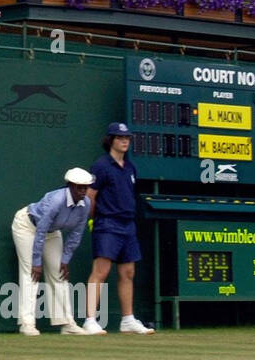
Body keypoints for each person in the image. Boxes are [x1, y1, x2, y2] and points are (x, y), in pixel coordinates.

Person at [82, 121, 153, 334]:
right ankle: (90, 320)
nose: (124, 141)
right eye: (120, 138)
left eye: (127, 138)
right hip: (107, 223)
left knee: (128, 272)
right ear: (111, 140)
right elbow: (90, 197)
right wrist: (93, 220)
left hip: (127, 225)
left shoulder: (131, 167)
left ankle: (127, 320)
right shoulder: (101, 166)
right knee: (101, 271)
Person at [11, 168, 94, 335]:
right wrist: (36, 262)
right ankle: (27, 324)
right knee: (31, 273)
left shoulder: (86, 204)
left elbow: (76, 233)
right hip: (27, 226)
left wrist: (65, 259)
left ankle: (67, 323)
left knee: (59, 272)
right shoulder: (56, 200)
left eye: (86, 187)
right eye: (80, 187)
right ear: (70, 186)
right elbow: (40, 230)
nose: (83, 191)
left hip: (52, 232)